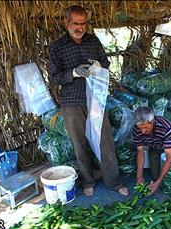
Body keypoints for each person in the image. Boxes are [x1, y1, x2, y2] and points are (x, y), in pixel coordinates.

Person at [49, 5, 128, 196]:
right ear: (65, 22)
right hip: (72, 101)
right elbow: (54, 77)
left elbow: (106, 64)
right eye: (76, 23)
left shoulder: (93, 41)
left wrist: (99, 65)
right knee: (79, 142)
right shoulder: (57, 47)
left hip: (97, 99)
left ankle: (114, 182)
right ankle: (87, 181)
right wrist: (74, 72)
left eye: (83, 23)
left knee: (105, 141)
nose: (80, 28)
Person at [132, 107, 171, 194]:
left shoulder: (166, 127)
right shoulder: (136, 130)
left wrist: (158, 183)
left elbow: (170, 157)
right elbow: (140, 152)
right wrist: (139, 177)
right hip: (155, 147)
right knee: (155, 176)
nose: (142, 131)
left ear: (152, 122)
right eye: (140, 128)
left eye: (145, 127)